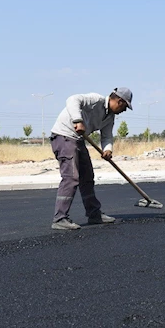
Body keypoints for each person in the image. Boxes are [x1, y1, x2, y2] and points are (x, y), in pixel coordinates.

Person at [49, 87, 133, 230]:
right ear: (119, 101)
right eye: (124, 106)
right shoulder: (96, 100)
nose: (124, 110)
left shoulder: (109, 117)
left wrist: (108, 150)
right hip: (64, 136)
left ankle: (94, 214)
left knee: (87, 177)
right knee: (71, 177)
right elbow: (72, 99)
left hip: (78, 140)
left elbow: (106, 136)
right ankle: (60, 218)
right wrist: (78, 120)